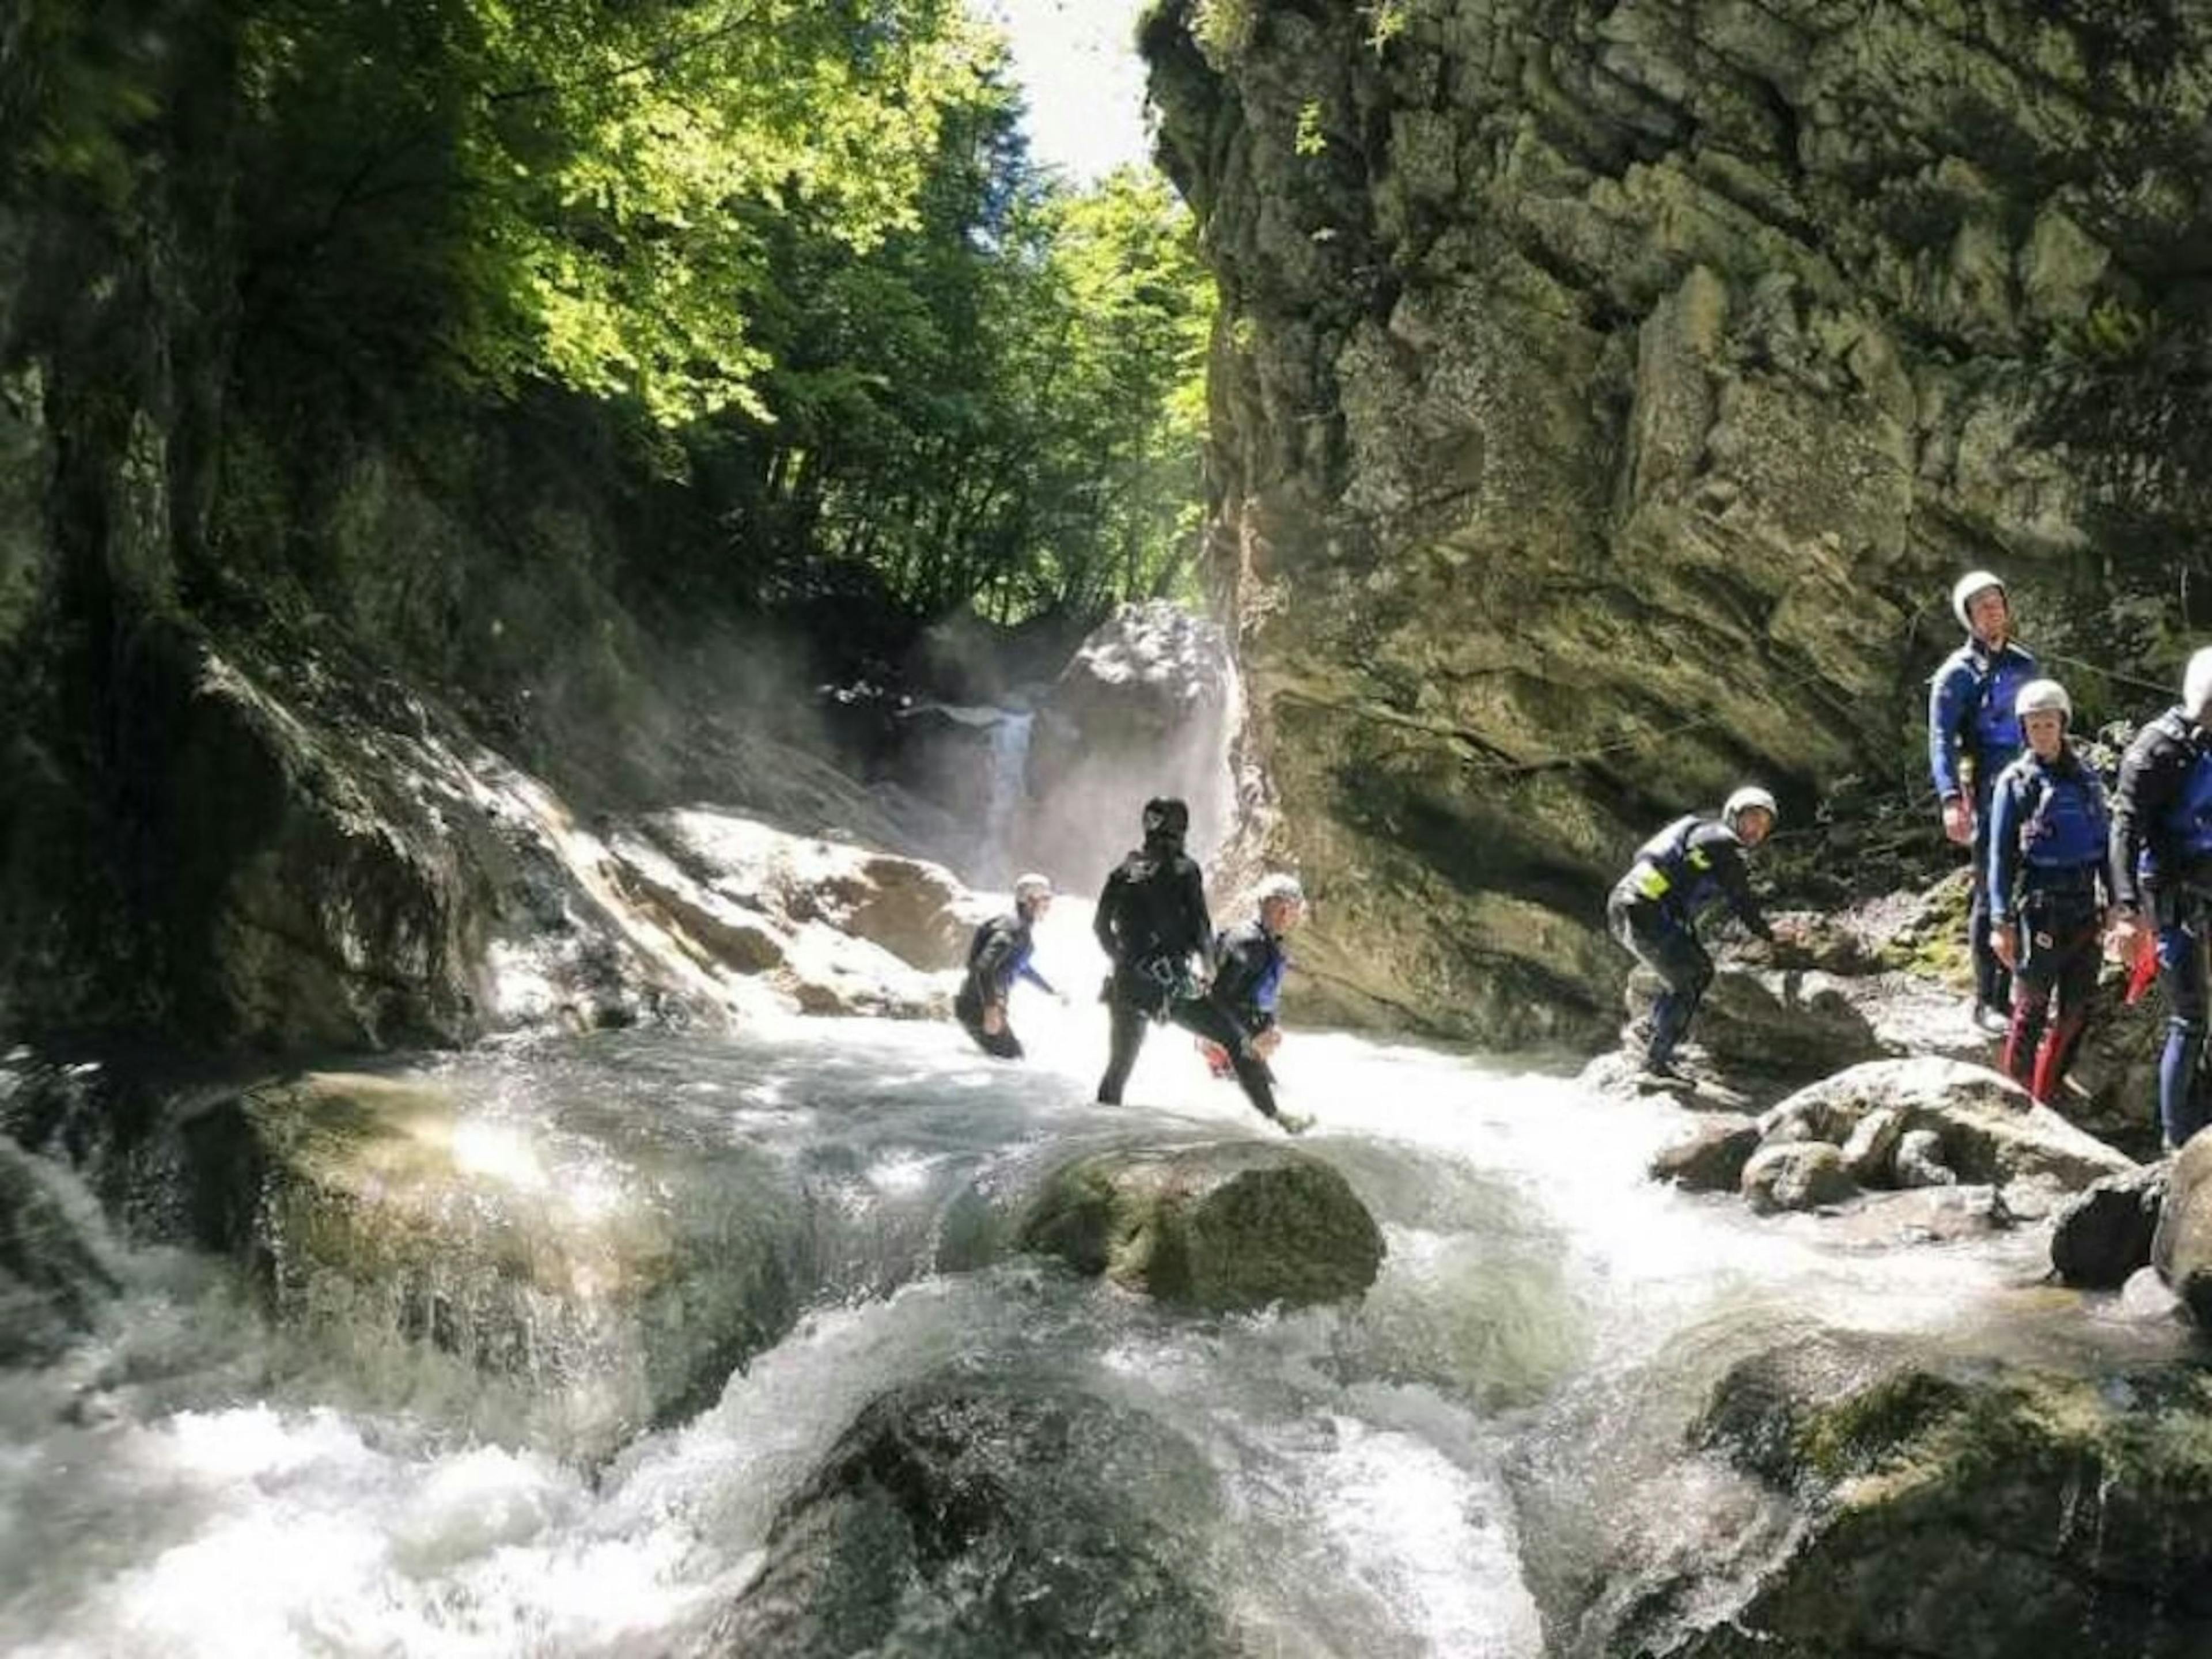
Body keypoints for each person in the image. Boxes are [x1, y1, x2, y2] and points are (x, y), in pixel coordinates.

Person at [1094, 798, 1299, 1130]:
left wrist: (1125, 963)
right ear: (1181, 828)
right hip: (1169, 987)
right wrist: (1208, 971)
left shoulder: (1123, 871)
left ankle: (1100, 1130)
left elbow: (1100, 928)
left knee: (1118, 1068)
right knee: (1236, 1041)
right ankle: (1276, 1118)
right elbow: (1202, 930)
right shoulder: (1185, 870)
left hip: (1126, 985)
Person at [1985, 679, 2109, 1105]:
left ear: (2062, 724)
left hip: (2084, 905)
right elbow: (2000, 855)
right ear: (2024, 729)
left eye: (2048, 724)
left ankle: (2048, 1091)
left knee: (2078, 1009)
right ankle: (2016, 1100)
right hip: (2040, 906)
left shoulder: (2087, 780)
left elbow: (2105, 846)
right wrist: (2000, 920)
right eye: (2033, 726)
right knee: (2032, 1004)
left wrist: (2118, 903)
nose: (2041, 733)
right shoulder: (2016, 782)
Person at [1927, 571, 2040, 1035]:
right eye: (1982, 606)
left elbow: (2044, 721)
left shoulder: (2024, 664)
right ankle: (1987, 999)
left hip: (2031, 783)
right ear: (1968, 617)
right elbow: (1941, 739)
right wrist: (1951, 798)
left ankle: (2024, 988)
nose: (1993, 611)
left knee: (2032, 884)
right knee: (1991, 889)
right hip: (1988, 787)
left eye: (1997, 602)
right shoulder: (1957, 673)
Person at [2108, 647, 2212, 1152]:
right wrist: (2126, 910)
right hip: (2171, 892)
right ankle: (2177, 1141)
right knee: (2189, 1017)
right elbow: (2125, 828)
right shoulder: (2156, 749)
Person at [1607, 786, 1779, 1084]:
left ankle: (1651, 1035)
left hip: (1629, 906)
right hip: (1640, 909)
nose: (1757, 829)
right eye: (1753, 818)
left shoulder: (1705, 838)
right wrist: (1768, 935)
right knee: (1693, 975)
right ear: (1733, 816)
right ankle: (1655, 1064)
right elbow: (1741, 897)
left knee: (1687, 973)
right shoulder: (1720, 841)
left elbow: (1679, 886)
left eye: (1765, 825)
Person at [1198, 873, 1304, 1084]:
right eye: (1293, 909)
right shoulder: (1248, 942)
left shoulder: (1266, 942)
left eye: (1294, 910)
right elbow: (1218, 997)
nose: (1290, 916)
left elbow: (1258, 994)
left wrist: (1269, 1027)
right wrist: (1255, 1033)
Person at [954, 872, 1062, 1059]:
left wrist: (1050, 990)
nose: (1049, 905)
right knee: (1013, 1062)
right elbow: (984, 967)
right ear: (1030, 900)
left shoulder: (1014, 926)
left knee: (1009, 1061)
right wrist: (991, 1009)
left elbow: (1021, 967)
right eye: (1045, 898)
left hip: (972, 1005)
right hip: (979, 1008)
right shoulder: (1013, 928)